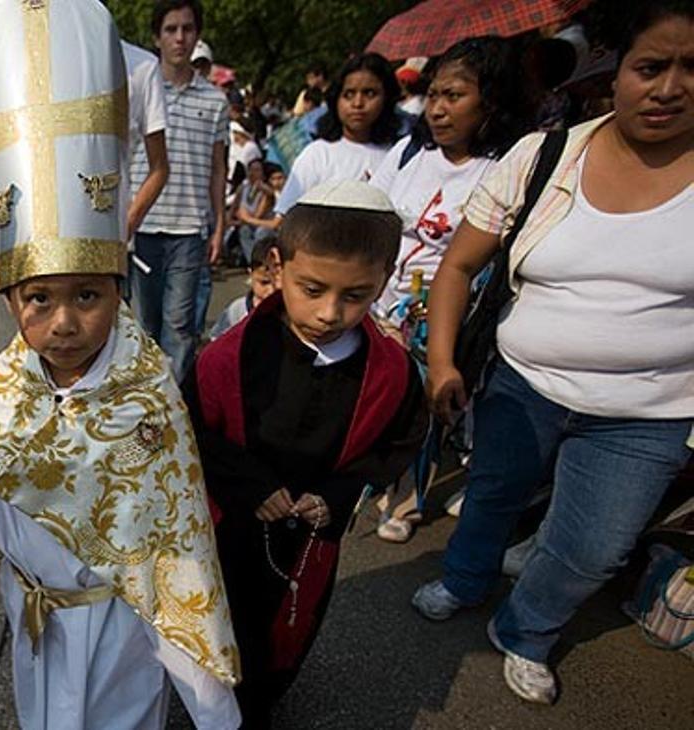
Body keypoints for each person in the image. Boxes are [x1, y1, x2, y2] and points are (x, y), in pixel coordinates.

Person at [0, 2, 241, 727]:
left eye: (87, 294)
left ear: (119, 286)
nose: (65, 322)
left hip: (117, 632)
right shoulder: (9, 384)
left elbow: (178, 554)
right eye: (39, 300)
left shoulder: (147, 399)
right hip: (35, 622)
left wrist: (210, 706)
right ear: (12, 297)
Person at [413, 0, 694, 705]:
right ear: (614, 71)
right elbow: (456, 267)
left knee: (593, 547)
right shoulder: (545, 155)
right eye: (651, 67)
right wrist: (443, 364)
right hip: (521, 386)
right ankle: (466, 578)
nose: (668, 88)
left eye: (691, 69)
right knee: (491, 496)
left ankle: (528, 629)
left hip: (648, 415)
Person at [185, 181, 427, 728]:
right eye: (312, 289)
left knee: (289, 629)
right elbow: (194, 429)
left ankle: (261, 703)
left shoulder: (388, 370)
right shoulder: (232, 355)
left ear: (383, 282)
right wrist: (250, 487)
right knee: (227, 622)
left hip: (312, 534)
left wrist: (337, 495)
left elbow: (398, 441)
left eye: (356, 295)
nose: (329, 312)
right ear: (278, 265)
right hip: (237, 527)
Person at [366, 36, 529, 543]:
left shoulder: (506, 168)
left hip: (447, 315)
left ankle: (409, 500)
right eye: (433, 95)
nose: (437, 109)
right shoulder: (407, 153)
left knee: (427, 403)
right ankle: (388, 476)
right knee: (388, 398)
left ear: (491, 101)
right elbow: (372, 215)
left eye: (454, 96)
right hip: (384, 304)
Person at [131, 0, 229, 383]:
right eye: (170, 29)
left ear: (197, 35)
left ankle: (175, 412)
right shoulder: (138, 90)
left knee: (180, 329)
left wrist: (219, 226)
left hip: (189, 230)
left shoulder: (215, 101)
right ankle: (140, 408)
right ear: (157, 36)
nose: (179, 38)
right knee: (142, 327)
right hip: (143, 225)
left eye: (187, 29)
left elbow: (218, 170)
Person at [273, 53, 404, 216]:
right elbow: (288, 217)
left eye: (369, 93)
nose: (357, 103)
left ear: (387, 98)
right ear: (336, 99)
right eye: (349, 94)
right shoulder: (318, 155)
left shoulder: (399, 155)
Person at [122, 40, 169, 240]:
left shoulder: (141, 65)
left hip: (107, 236)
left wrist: (127, 223)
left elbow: (159, 167)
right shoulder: (25, 56)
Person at [208, 237, 277, 340]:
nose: (271, 291)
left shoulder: (292, 312)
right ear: (251, 274)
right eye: (264, 283)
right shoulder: (237, 310)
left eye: (277, 284)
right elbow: (216, 341)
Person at [230, 158, 280, 264]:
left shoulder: (265, 192)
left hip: (263, 224)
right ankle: (252, 262)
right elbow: (233, 209)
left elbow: (257, 215)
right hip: (246, 223)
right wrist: (235, 219)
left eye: (257, 170)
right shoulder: (243, 188)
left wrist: (243, 216)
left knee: (260, 232)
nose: (253, 173)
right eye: (251, 170)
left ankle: (258, 263)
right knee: (244, 230)